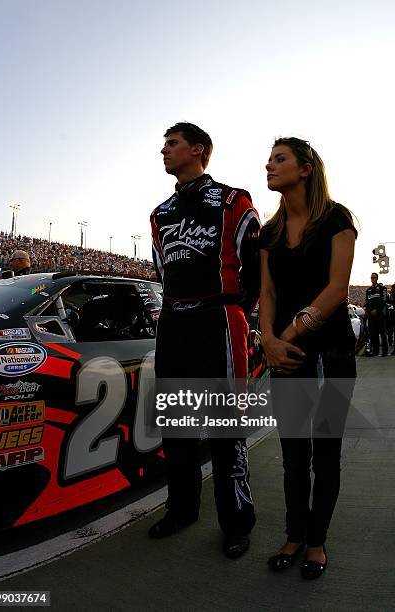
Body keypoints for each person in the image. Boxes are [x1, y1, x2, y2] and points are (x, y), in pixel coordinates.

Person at [150, 122, 261, 558]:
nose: (164, 151)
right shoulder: (159, 213)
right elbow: (161, 270)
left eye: (172, 144)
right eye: (164, 145)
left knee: (224, 428)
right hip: (175, 321)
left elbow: (253, 267)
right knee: (176, 426)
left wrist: (244, 315)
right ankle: (181, 509)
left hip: (220, 319)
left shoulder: (234, 200)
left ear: (198, 150)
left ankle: (236, 522)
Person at [259, 137, 357, 579]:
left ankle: (317, 541)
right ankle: (294, 533)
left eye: (279, 158)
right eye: (269, 159)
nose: (269, 165)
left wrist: (289, 334)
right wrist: (268, 339)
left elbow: (337, 289)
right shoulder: (269, 232)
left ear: (305, 168)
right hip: (285, 356)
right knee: (294, 453)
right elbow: (267, 292)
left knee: (326, 453)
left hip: (331, 353)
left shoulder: (337, 218)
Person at [365, 273, 388, 356]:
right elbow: (367, 303)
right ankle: (375, 351)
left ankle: (385, 351)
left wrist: (376, 310)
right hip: (371, 315)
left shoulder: (383, 288)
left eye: (374, 277)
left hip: (380, 314)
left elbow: (383, 300)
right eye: (371, 277)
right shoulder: (368, 290)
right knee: (373, 333)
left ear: (377, 278)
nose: (372, 279)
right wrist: (371, 311)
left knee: (382, 333)